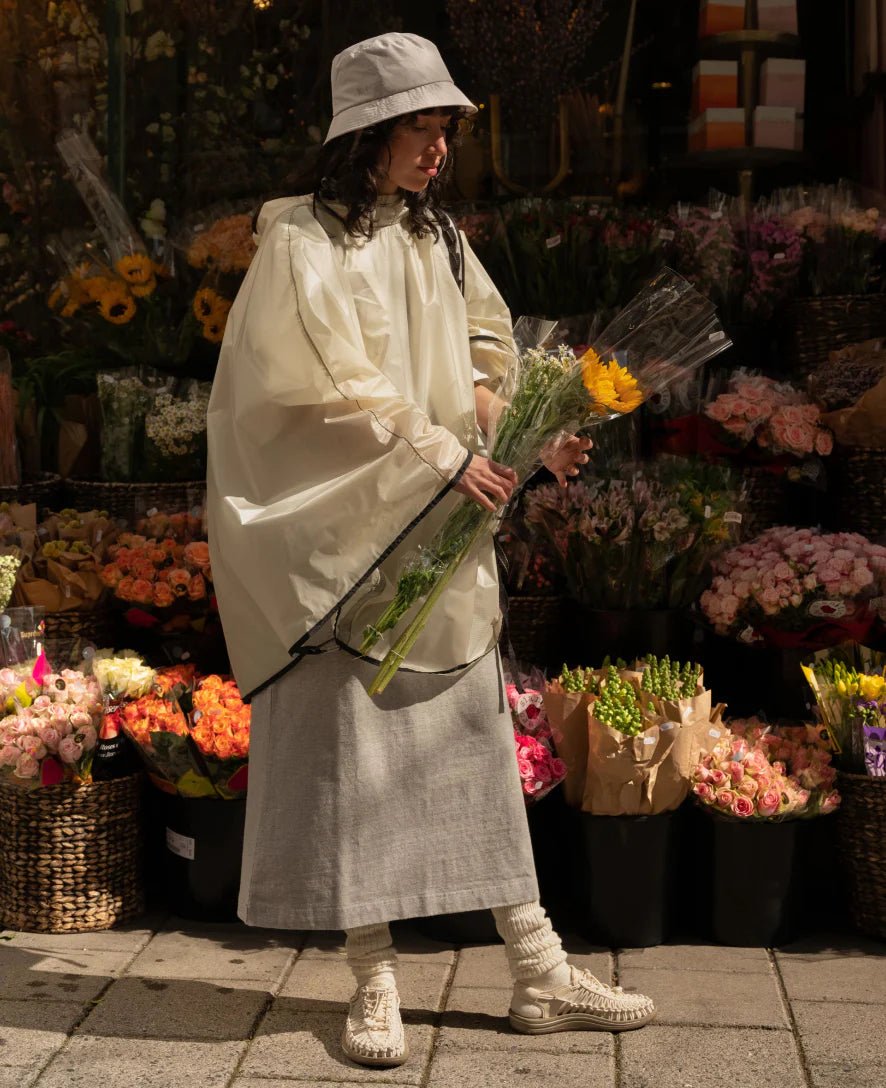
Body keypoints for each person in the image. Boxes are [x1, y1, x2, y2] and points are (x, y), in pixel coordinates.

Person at [207, 31, 655, 1070]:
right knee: (348, 767)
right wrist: (441, 449)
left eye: (446, 127)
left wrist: (529, 429)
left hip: (438, 530)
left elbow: (482, 352)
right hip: (338, 544)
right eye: (422, 124)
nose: (440, 145)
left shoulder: (439, 240)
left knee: (470, 751)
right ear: (366, 129)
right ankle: (373, 977)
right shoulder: (300, 243)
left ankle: (536, 963)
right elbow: (322, 379)